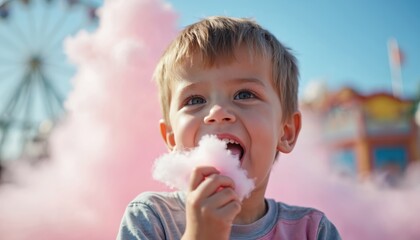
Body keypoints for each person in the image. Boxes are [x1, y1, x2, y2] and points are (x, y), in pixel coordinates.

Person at [117, 16, 341, 240]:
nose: (217, 113)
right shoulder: (151, 218)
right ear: (172, 139)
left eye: (244, 95)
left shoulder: (312, 231)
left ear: (286, 132)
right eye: (194, 100)